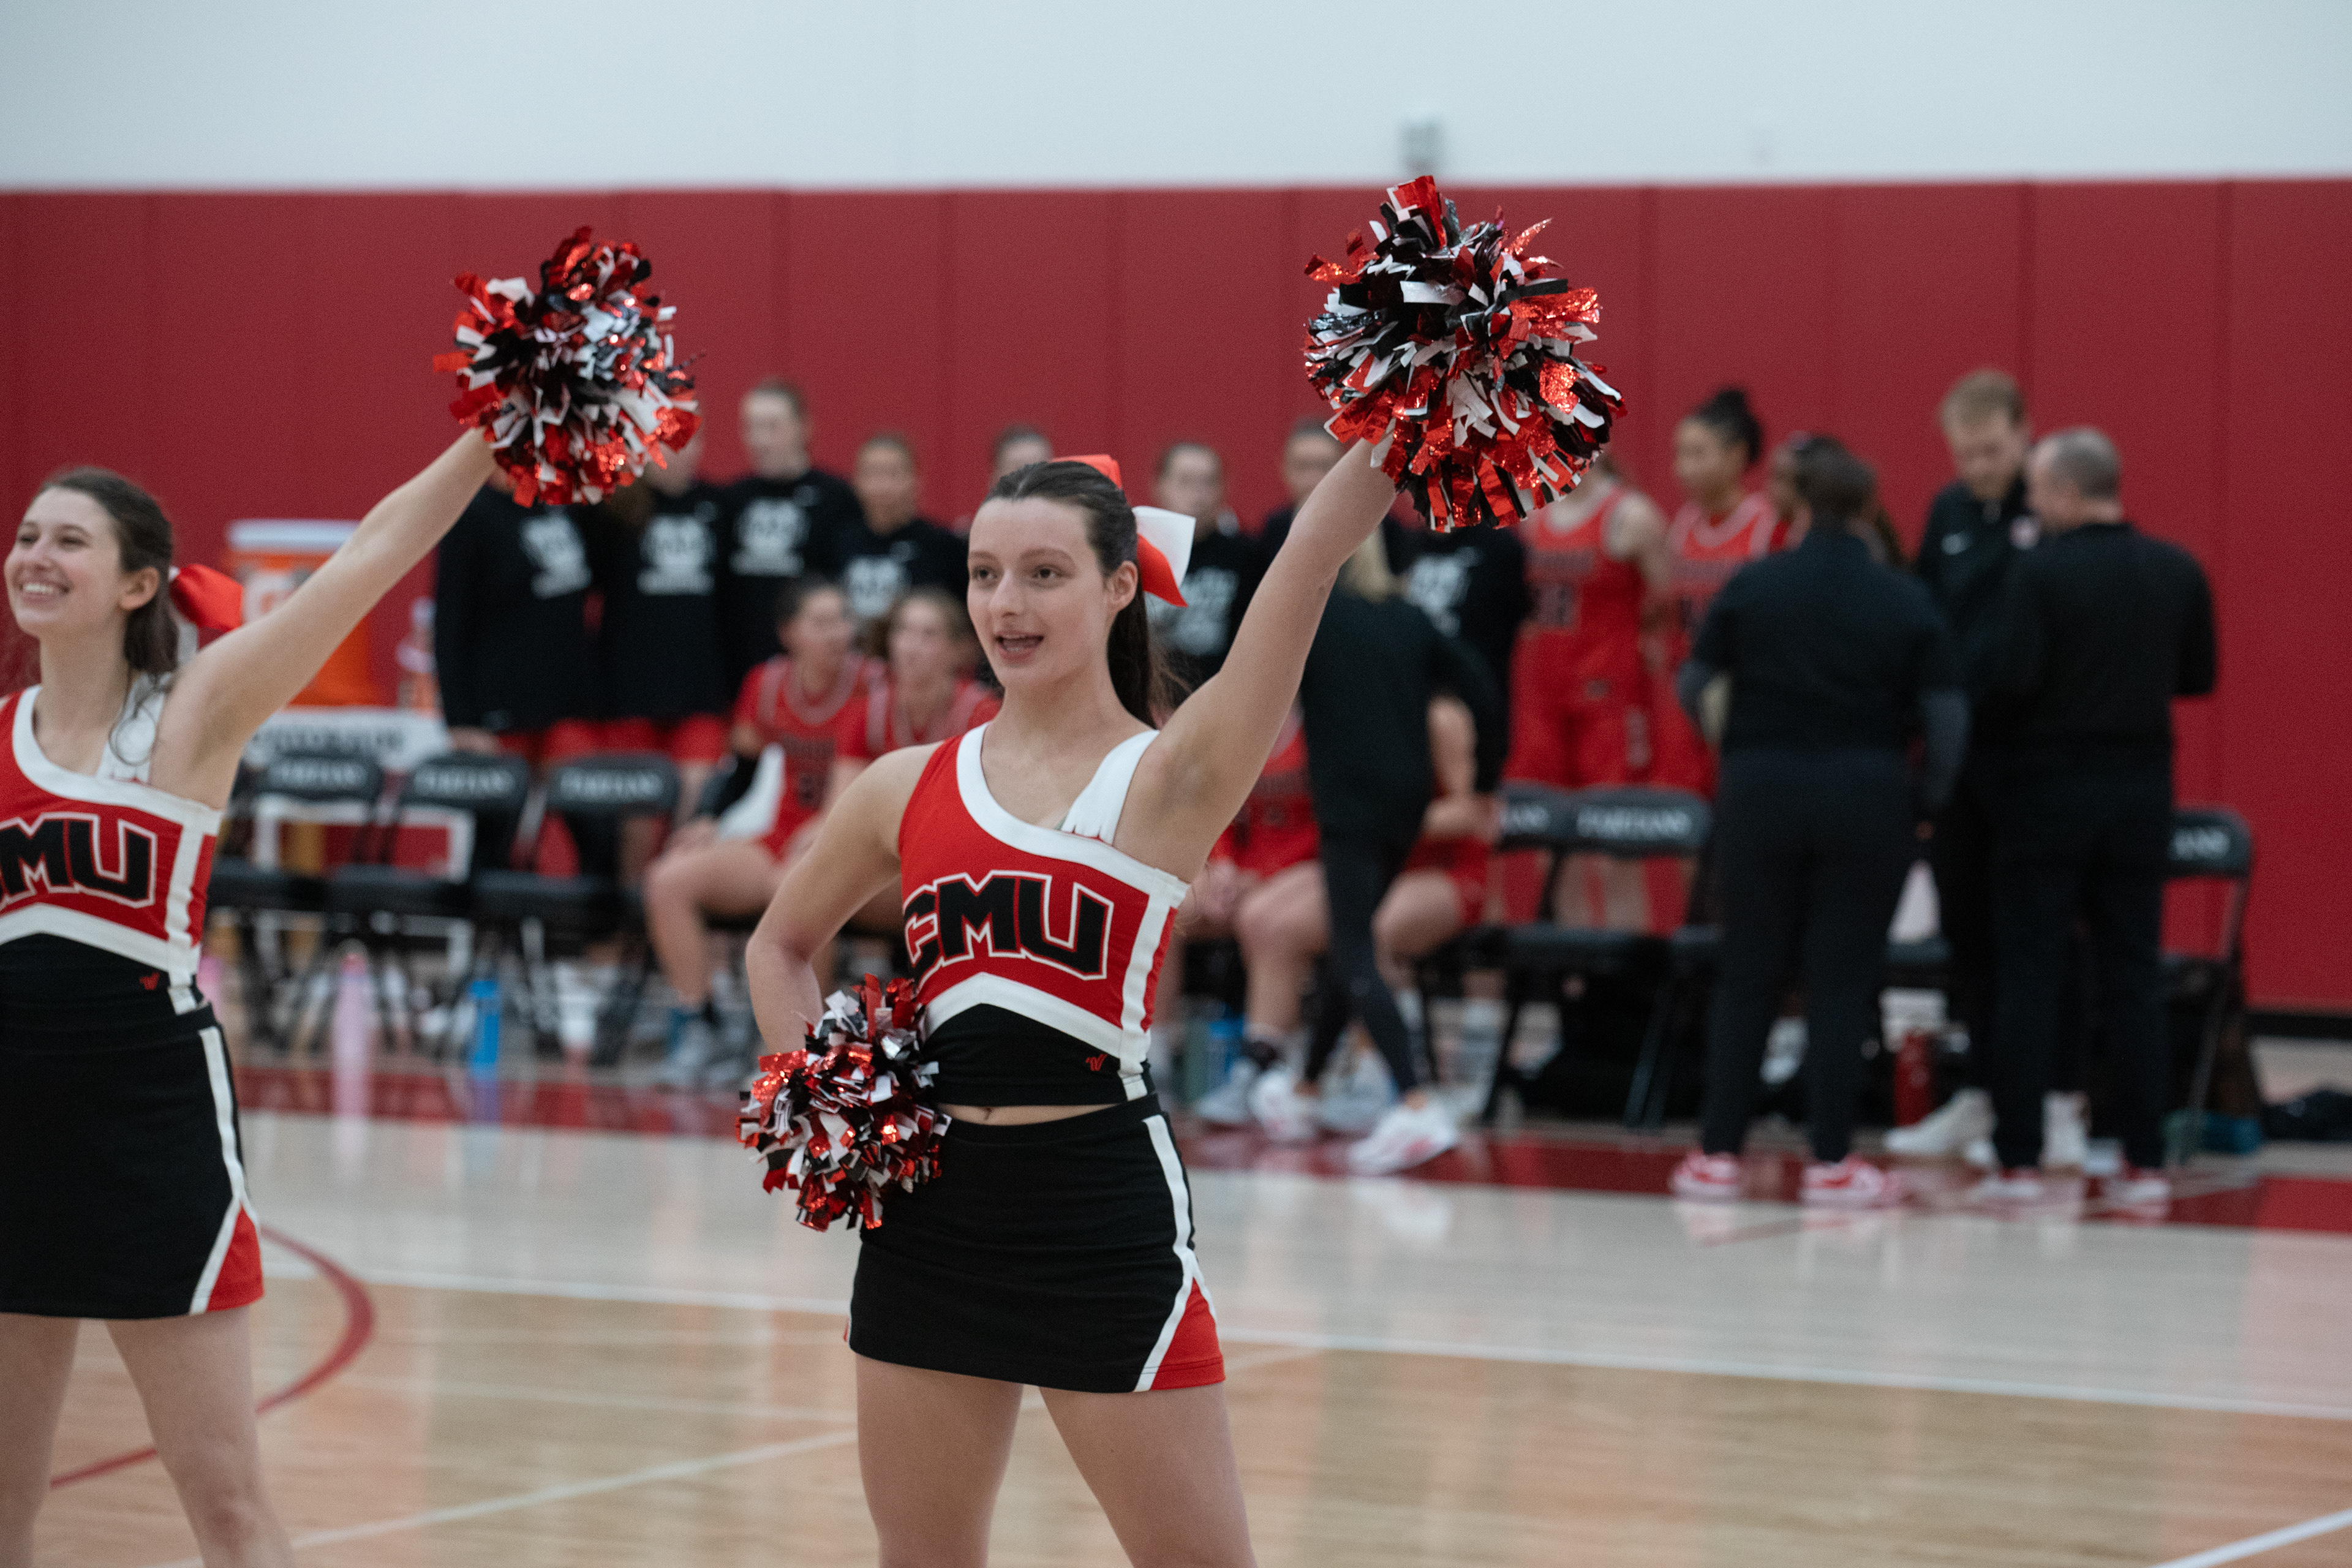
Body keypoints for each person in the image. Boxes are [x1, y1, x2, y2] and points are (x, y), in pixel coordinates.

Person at [741, 439, 1399, 1565]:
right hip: (929, 1218)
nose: (1007, 604)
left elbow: (1312, 554)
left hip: (1099, 1212)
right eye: (985, 574)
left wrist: (1413, 406)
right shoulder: (907, 784)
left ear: (1119, 585)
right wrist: (834, 1104)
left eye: (1045, 574)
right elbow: (778, 944)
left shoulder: (1172, 774)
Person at [2, 432, 496, 1566]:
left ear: (138, 584)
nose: (34, 556)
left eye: (68, 541)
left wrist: (488, 435)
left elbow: (371, 554)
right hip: (11, 1127)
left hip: (148, 1123)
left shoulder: (193, 711)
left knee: (223, 1499)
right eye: (26, 536)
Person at [1666, 439, 1967, 1208]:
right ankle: (1832, 1160)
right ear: (1868, 507)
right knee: (1843, 980)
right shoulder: (1903, 598)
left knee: (1748, 974)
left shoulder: (1754, 585)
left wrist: (1737, 747)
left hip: (1760, 791)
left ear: (1795, 506)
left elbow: (1693, 682)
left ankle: (1717, 1155)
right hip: (1866, 795)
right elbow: (1946, 717)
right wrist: (1926, 802)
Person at [1977, 428, 2216, 1208]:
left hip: (2047, 790)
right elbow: (2198, 676)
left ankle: (2018, 1160)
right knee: (2132, 975)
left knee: (2031, 973)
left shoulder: (2038, 573)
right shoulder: (2178, 569)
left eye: (2039, 492)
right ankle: (2144, 1159)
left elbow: (2012, 680)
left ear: (2069, 493)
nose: (2033, 506)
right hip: (2141, 791)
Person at [1248, 533, 1505, 1174]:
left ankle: (1417, 1100)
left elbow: (1251, 696)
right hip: (1407, 810)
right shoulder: (1411, 618)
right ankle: (1307, 1087)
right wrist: (1490, 776)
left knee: (1355, 947)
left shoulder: (1314, 620)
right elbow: (1483, 688)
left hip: (1350, 809)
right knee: (1352, 944)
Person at [1886, 371, 2057, 1164]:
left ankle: (2048, 1100)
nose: (1980, 467)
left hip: (2034, 755)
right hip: (1961, 757)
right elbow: (1926, 616)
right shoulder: (1948, 512)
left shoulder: (2051, 508)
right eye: (1966, 454)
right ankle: (1983, 1092)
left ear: (2024, 433)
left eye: (1992, 450)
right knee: (1969, 930)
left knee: (2037, 937)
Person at [640, 578, 875, 1087]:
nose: (837, 632)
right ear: (789, 633)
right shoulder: (767, 684)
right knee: (669, 879)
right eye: (822, 622)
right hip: (783, 836)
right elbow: (742, 766)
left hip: (846, 844)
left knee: (797, 889)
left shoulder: (873, 684)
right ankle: (700, 1026)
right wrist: (708, 818)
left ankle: (801, 1045)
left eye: (843, 619)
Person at [1233, 695, 1497, 1137]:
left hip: (1444, 873)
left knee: (1372, 927)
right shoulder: (1358, 712)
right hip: (1374, 862)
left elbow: (1472, 812)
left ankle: (1374, 1078)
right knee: (1264, 917)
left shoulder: (1441, 716)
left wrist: (1381, 822)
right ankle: (1265, 1066)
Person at [1508, 450, 1673, 929]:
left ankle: (1625, 970)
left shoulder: (1631, 516)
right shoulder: (1528, 508)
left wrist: (1634, 653)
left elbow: (1665, 603)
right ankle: (1572, 964)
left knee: (1615, 845)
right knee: (1553, 847)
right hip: (1543, 698)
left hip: (1607, 699)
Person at [1188, 705, 1322, 1124]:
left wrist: (1264, 876)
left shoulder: (1328, 724)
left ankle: (1259, 1068)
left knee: (1263, 919)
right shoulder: (1242, 723)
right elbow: (1219, 807)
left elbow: (1336, 822)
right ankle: (1148, 1058)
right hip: (1247, 872)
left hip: (1306, 869)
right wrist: (1222, 864)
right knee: (1170, 907)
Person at [589, 429, 732, 815]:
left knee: (693, 814)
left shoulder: (719, 507)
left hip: (700, 692)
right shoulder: (618, 508)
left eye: (688, 439)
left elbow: (736, 606)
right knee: (636, 823)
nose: (677, 452)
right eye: (664, 441)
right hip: (631, 693)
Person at [1654, 386, 1781, 795]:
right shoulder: (1683, 525)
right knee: (1686, 807)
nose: (1683, 468)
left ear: (1736, 456)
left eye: (1697, 454)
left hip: (1748, 696)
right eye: (1679, 455)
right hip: (1689, 690)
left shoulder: (1767, 524)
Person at [434, 468, 603, 771]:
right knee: (508, 801)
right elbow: (450, 623)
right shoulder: (473, 515)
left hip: (569, 706)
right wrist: (460, 720)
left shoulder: (565, 506)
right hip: (501, 710)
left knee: (578, 798)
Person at [715, 379, 861, 684]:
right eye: (753, 427)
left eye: (773, 427)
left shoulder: (836, 498)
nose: (761, 440)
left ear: (803, 428)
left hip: (815, 672)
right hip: (741, 668)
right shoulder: (731, 500)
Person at [832, 589, 998, 782]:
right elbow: (842, 795)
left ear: (957, 649)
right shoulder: (868, 712)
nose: (912, 646)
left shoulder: (981, 712)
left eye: (929, 634)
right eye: (904, 630)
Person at [1144, 442, 1267, 687]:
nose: (1197, 494)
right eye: (1185, 482)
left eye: (1208, 482)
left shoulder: (1247, 555)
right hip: (1149, 693)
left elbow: (1261, 639)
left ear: (1224, 489)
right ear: (1159, 486)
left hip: (1224, 691)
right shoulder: (1135, 556)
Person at [833, 433, 967, 628]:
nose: (882, 485)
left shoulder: (943, 546)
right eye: (873, 473)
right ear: (856, 482)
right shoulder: (836, 541)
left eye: (893, 473)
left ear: (915, 480)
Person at [1257, 418, 1344, 543]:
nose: (1314, 478)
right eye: (1303, 466)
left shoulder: (1368, 524)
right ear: (1285, 469)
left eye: (1324, 467)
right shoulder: (1273, 531)